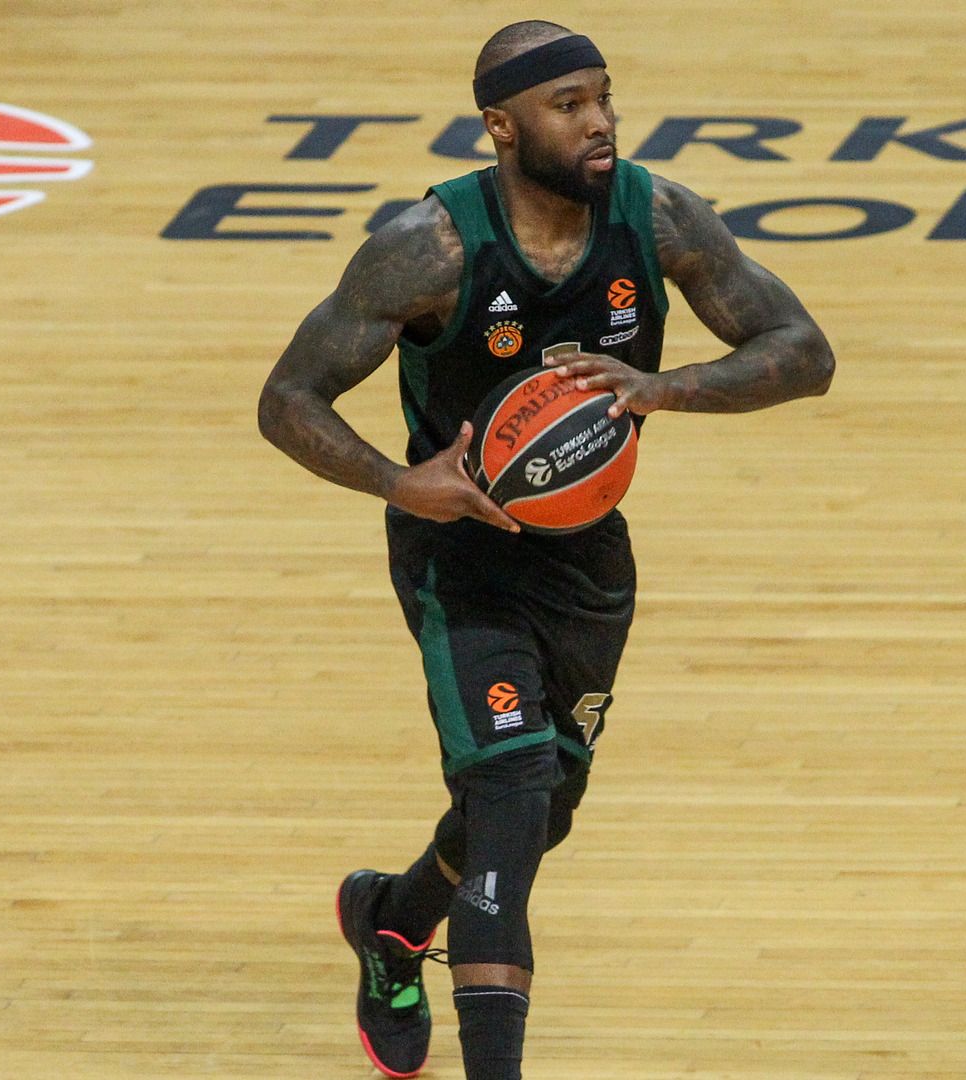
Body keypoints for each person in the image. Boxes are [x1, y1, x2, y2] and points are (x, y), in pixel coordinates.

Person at [257, 19, 835, 1080]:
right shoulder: (429, 249)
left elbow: (805, 353)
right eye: (569, 105)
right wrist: (398, 482)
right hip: (458, 557)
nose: (600, 120)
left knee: (539, 812)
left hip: (586, 561)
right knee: (514, 788)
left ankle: (393, 918)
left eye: (603, 96)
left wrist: (665, 388)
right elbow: (288, 399)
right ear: (502, 127)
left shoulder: (658, 217)